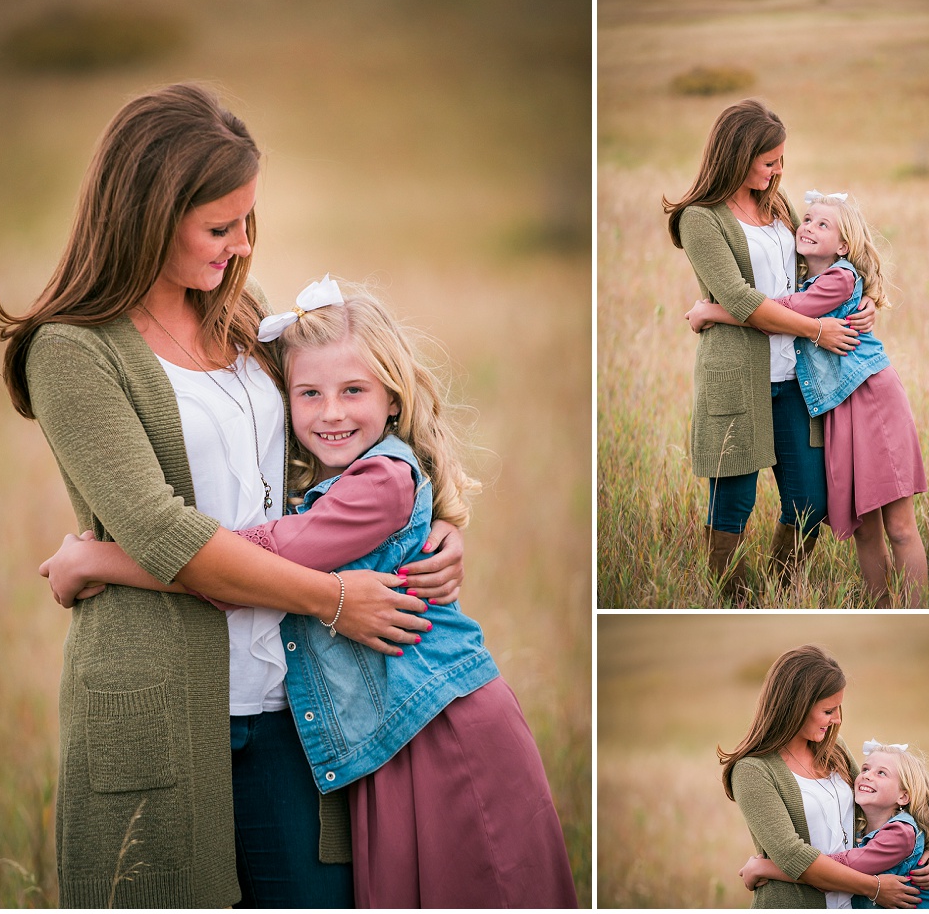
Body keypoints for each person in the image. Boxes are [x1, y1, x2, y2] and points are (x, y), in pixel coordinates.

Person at [0, 84, 464, 908]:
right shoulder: (70, 353)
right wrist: (333, 599)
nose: (243, 244)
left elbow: (346, 439)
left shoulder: (239, 319)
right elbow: (160, 530)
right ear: (147, 214)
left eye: (248, 220)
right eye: (219, 227)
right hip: (161, 706)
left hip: (294, 705)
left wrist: (439, 529)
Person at [39, 276, 580, 908]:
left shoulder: (379, 481)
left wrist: (98, 559)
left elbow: (256, 560)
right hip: (388, 736)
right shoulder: (346, 480)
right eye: (309, 394)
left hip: (439, 728)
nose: (331, 412)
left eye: (355, 391)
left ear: (394, 400)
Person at [662, 99, 876, 604]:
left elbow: (814, 275)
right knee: (732, 504)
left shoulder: (776, 206)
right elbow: (740, 299)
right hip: (736, 378)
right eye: (769, 162)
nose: (779, 171)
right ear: (738, 155)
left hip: (796, 380)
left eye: (782, 160)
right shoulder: (701, 219)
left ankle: (782, 591)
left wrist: (859, 302)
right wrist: (817, 330)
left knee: (809, 503)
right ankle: (731, 599)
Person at [685, 192, 928, 606]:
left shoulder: (829, 267)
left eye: (822, 224)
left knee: (871, 518)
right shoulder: (708, 221)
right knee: (863, 527)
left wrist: (711, 312)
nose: (808, 227)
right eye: (808, 220)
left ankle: (911, 609)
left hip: (862, 398)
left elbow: (788, 304)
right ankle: (746, 602)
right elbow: (792, 290)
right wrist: (858, 295)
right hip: (834, 405)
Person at [717, 645, 929, 908]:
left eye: (838, 709)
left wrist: (924, 852)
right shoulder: (753, 771)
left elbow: (882, 804)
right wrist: (874, 888)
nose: (836, 719)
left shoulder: (834, 749)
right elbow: (793, 857)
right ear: (796, 707)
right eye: (827, 711)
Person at [738, 740, 929, 908]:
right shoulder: (863, 828)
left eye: (881, 773)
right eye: (865, 769)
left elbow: (842, 868)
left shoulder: (900, 834)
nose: (867, 776)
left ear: (903, 796)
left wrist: (765, 868)